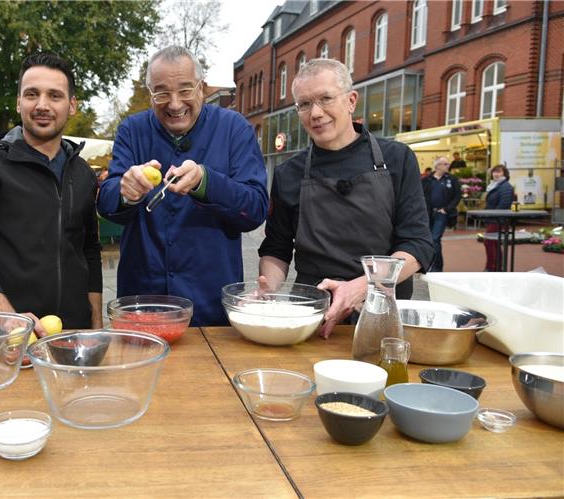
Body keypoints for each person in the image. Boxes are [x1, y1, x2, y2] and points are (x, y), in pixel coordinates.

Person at [258, 58, 433, 338]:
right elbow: (277, 248)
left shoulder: (397, 159)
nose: (315, 113)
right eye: (304, 104)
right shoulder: (288, 173)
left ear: (351, 101)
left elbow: (418, 246)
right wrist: (268, 288)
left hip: (384, 317)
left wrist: (362, 287)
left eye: (326, 99)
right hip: (313, 317)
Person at [96, 46, 268, 326]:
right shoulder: (132, 130)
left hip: (210, 307)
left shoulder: (234, 128)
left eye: (186, 90)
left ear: (201, 88)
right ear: (150, 93)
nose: (175, 104)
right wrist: (124, 191)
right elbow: (106, 202)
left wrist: (206, 182)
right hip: (142, 302)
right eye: (162, 93)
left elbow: (256, 208)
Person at [0, 53, 102, 332]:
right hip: (5, 334)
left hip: (73, 333)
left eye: (54, 96)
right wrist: (10, 320)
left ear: (72, 106)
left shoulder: (82, 171)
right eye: (32, 94)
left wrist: (95, 324)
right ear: (18, 102)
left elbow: (89, 251)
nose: (42, 105)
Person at [422, 156, 462, 272]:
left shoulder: (452, 179)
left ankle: (437, 268)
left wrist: (447, 209)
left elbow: (457, 196)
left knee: (435, 239)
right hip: (428, 214)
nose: (448, 166)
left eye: (448, 164)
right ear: (437, 166)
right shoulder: (426, 180)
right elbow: (420, 195)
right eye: (445, 164)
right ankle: (429, 264)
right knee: (428, 240)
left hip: (442, 214)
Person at [483, 163, 514, 272]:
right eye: (494, 172)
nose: (496, 174)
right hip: (493, 219)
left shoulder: (505, 186)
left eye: (499, 172)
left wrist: (492, 215)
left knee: (489, 242)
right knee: (493, 243)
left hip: (498, 220)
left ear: (504, 173)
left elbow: (504, 204)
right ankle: (495, 267)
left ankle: (492, 268)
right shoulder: (496, 185)